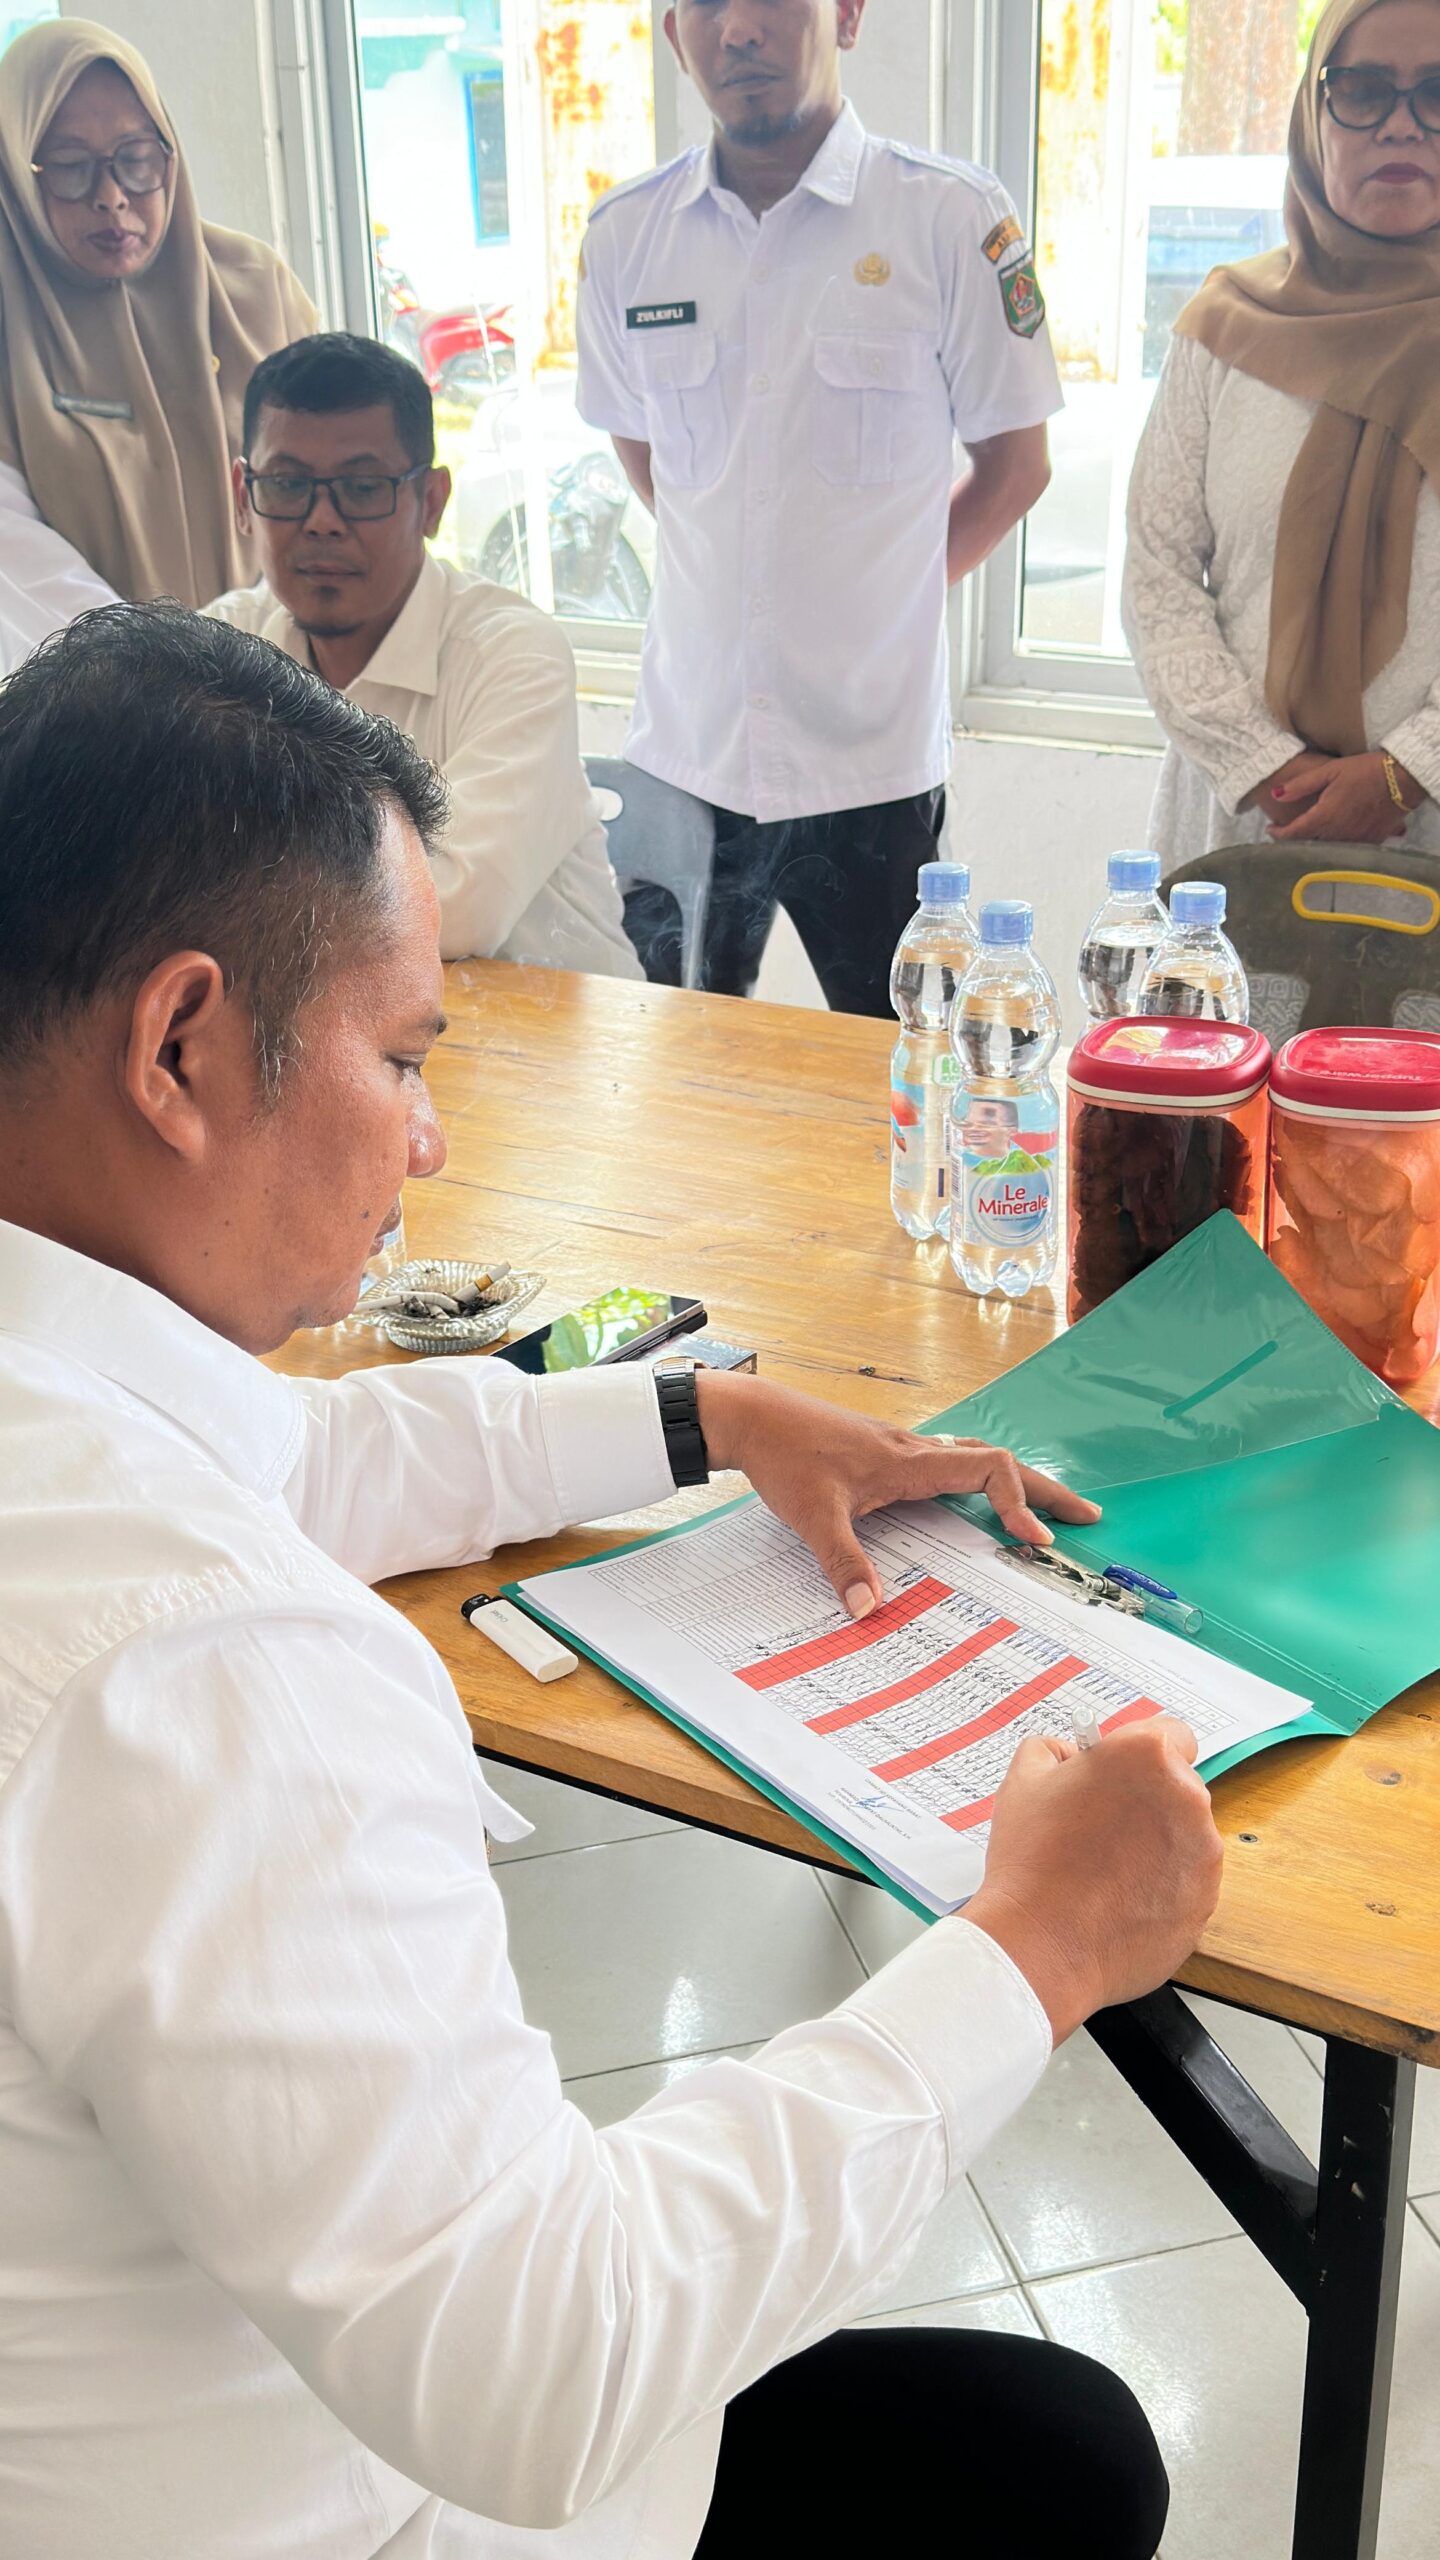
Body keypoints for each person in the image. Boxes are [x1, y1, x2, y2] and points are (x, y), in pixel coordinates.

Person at [0, 602, 1223, 2559]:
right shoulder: (207, 1663)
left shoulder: (76, 1420)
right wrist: (1042, 1943)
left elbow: (299, 1455)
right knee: (1060, 2459)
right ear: (182, 1045)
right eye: (402, 1055)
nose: (430, 1137)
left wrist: (706, 1415)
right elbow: (546, 2365)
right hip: (350, 2509)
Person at [575, 0, 1060, 1016]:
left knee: (906, 1064)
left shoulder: (950, 219)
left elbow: (1017, 466)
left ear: (846, 15)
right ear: (673, 34)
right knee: (673, 1068)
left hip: (870, 766)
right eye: (706, 6)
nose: (738, 30)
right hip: (688, 755)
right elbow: (646, 451)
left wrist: (889, 593)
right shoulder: (627, 238)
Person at [207, 333, 641, 975]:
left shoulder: (512, 655)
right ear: (244, 497)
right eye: (289, 484)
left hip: (557, 1028)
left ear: (431, 503)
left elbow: (450, 910)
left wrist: (218, 892)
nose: (322, 520)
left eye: (362, 487)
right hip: (340, 1022)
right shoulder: (222, 649)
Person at [1124, 0, 1440, 860]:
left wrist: (1405, 774)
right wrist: (1267, 769)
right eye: (1363, 90)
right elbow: (1158, 574)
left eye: (1437, 93)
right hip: (1240, 827)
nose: (1402, 126)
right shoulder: (1224, 329)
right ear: (1313, 114)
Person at [0, 17, 315, 672]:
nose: (112, 198)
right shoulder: (10, 328)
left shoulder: (256, 288)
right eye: (70, 168)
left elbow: (334, 483)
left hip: (289, 682)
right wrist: (171, 689)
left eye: (137, 159)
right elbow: (25, 572)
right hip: (96, 699)